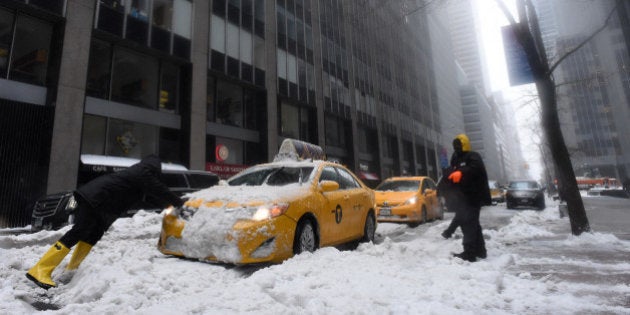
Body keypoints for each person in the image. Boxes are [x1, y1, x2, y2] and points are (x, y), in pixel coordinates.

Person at [26, 154, 184, 289]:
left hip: (100, 204)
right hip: (94, 200)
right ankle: (40, 269)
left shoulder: (138, 175)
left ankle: (72, 269)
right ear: (155, 168)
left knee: (93, 235)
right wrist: (180, 203)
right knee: (78, 232)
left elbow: (152, 198)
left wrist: (169, 205)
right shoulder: (143, 173)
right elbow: (159, 190)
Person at [442, 134, 491, 262]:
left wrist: (461, 172)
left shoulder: (473, 156)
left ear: (464, 144)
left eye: (459, 144)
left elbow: (476, 169)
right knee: (473, 224)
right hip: (462, 197)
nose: (456, 147)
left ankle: (469, 253)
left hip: (474, 196)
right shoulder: (455, 157)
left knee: (468, 224)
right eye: (455, 145)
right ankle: (480, 251)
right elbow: (451, 170)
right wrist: (448, 173)